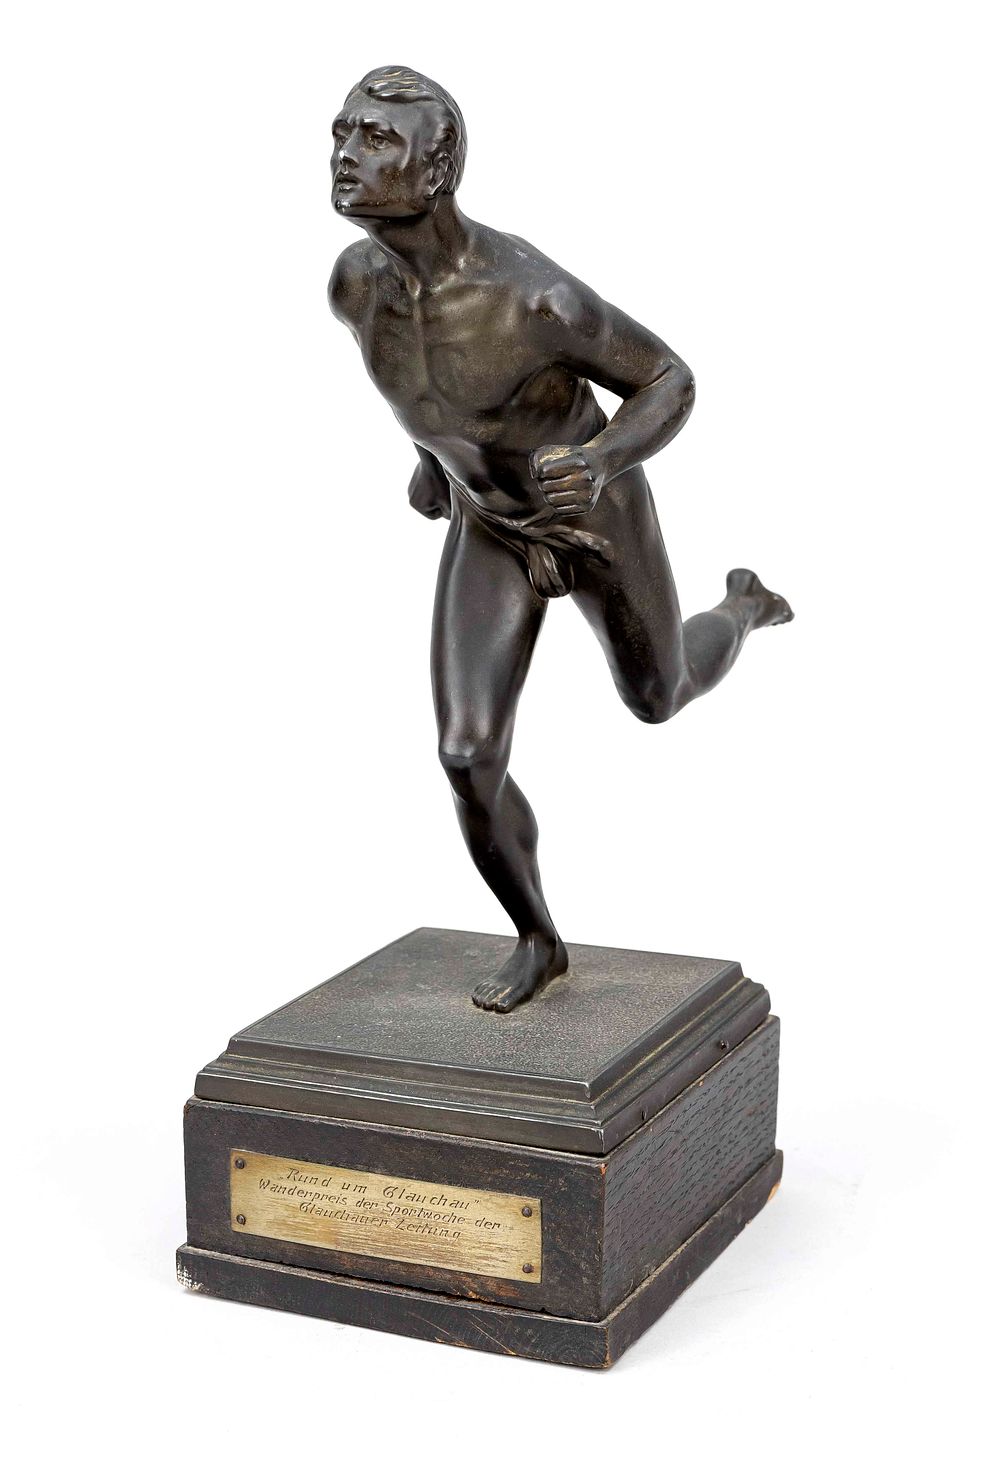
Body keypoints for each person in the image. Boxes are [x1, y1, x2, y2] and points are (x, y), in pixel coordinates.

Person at [329, 66, 792, 1011]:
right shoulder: (355, 288)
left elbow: (669, 379)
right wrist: (435, 465)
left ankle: (741, 606)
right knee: (467, 754)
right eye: (342, 132)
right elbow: (421, 391)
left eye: (377, 140)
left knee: (658, 697)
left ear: (437, 170)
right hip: (492, 523)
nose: (345, 155)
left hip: (593, 516)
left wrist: (605, 459)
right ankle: (539, 938)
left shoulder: (533, 299)